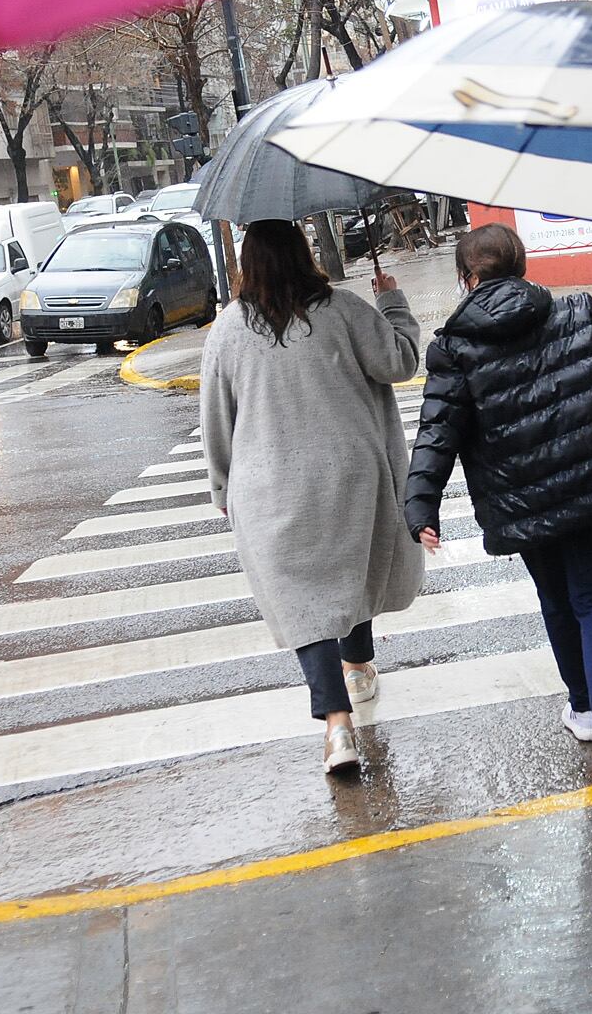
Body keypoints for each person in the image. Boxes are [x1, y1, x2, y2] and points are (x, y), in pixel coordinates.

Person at [405, 223, 592, 786]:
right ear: (520, 266)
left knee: (556, 599)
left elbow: (437, 434)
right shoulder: (575, 312)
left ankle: (584, 708)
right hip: (590, 483)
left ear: (466, 279)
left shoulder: (453, 348)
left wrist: (421, 506)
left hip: (518, 501)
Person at [199, 218, 424, 776]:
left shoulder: (227, 331)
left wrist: (223, 485)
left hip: (268, 485)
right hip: (351, 473)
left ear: (247, 265)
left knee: (306, 600)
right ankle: (359, 667)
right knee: (350, 569)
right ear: (305, 254)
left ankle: (336, 726)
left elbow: (215, 421)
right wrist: (393, 303)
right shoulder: (344, 310)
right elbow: (399, 361)